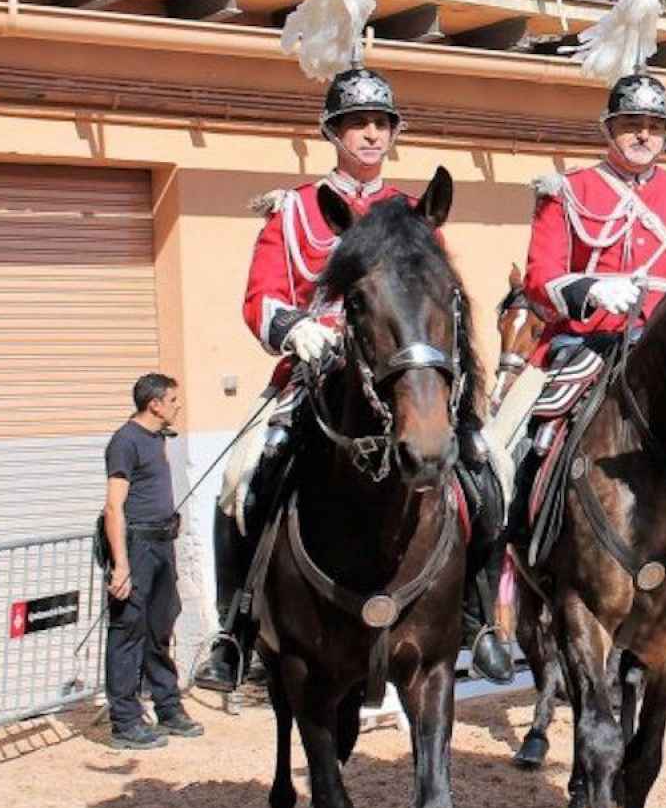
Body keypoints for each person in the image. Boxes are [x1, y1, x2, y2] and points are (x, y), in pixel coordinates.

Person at [197, 62, 514, 691]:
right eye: (355, 123)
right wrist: (295, 328)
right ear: (332, 132)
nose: (370, 134)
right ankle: (233, 634)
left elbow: (440, 299)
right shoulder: (295, 213)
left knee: (486, 468)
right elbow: (259, 299)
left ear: (394, 134)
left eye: (380, 123)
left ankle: (479, 620)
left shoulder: (412, 215)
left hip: (403, 377)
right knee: (240, 478)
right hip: (316, 376)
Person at [523, 73, 666, 357]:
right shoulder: (566, 189)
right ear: (608, 128)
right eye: (632, 124)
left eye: (655, 127)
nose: (644, 135)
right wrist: (591, 290)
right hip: (588, 339)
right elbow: (539, 277)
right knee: (523, 402)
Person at [103, 374, 203, 750]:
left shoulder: (157, 438)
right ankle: (125, 722)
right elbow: (114, 506)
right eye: (173, 400)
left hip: (163, 544)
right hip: (137, 546)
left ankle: (168, 707)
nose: (178, 406)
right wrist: (121, 565)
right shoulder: (125, 442)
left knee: (160, 626)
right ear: (155, 404)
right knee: (128, 631)